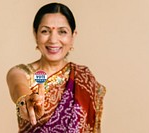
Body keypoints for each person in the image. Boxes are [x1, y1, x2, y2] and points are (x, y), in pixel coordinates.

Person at [6, 2, 106, 133]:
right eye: (45, 31)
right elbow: (18, 87)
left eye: (62, 32)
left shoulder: (84, 78)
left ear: (73, 36)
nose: (53, 40)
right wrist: (25, 100)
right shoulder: (21, 73)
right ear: (35, 34)